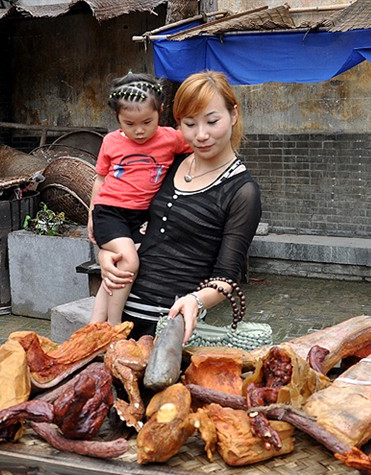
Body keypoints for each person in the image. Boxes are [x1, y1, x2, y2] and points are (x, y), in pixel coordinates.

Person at [98, 70, 262, 344]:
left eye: (212, 121)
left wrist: (196, 300)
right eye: (189, 123)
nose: (201, 135)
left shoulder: (242, 191)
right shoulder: (168, 163)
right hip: (118, 314)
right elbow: (128, 218)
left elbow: (226, 278)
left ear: (233, 115)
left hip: (170, 326)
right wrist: (106, 254)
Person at [88, 72, 192, 326]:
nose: (140, 130)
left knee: (119, 265)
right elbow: (100, 180)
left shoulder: (170, 138)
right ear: (117, 118)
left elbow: (197, 147)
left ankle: (95, 323)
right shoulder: (111, 142)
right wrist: (91, 215)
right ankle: (115, 325)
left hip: (141, 217)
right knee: (130, 261)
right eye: (129, 123)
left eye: (147, 121)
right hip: (109, 211)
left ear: (160, 111)